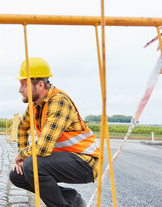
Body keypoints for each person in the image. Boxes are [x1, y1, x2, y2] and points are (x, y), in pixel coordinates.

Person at [9, 57, 100, 207]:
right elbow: (22, 127)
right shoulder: (35, 105)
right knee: (17, 175)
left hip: (86, 162)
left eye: (24, 84)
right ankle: (72, 199)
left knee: (32, 165)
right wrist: (22, 155)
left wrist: (21, 155)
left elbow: (43, 149)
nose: (20, 90)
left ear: (39, 85)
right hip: (64, 159)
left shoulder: (58, 102)